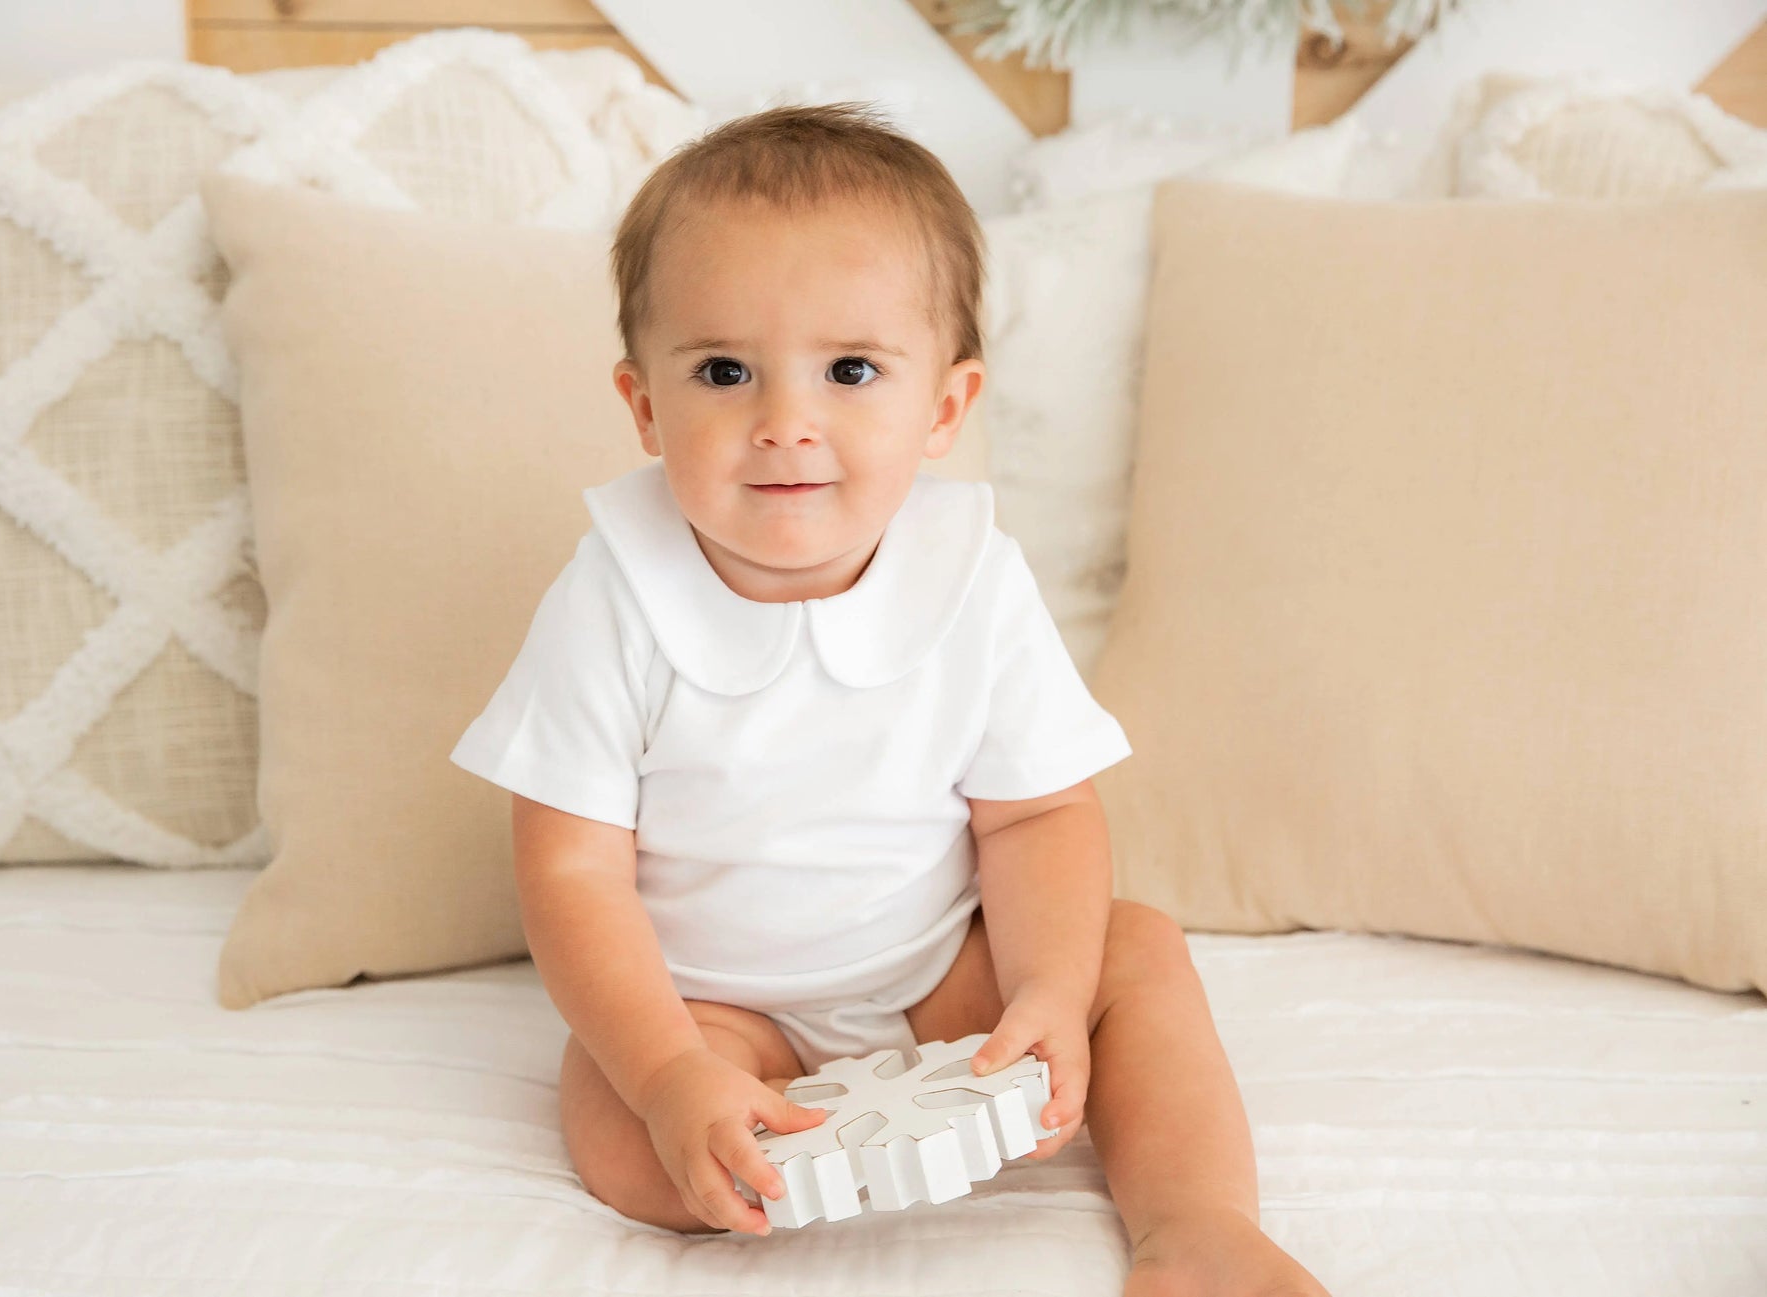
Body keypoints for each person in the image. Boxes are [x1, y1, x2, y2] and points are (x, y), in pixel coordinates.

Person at [449, 101, 1329, 1296]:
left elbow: (1033, 818)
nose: (783, 423)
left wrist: (1045, 993)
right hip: (715, 1000)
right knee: (619, 1134)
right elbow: (569, 871)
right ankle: (732, 1132)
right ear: (645, 406)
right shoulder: (614, 591)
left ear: (945, 410)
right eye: (722, 372)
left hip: (936, 970)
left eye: (850, 370)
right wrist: (667, 1075)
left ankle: (1195, 1225)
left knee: (1135, 953)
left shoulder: (970, 575)